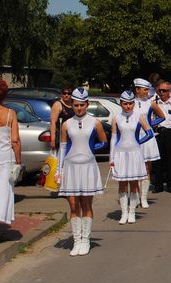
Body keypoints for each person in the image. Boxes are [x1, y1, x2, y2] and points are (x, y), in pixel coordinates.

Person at [54, 88, 108, 256]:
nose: (78, 108)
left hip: (87, 166)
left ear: (87, 104)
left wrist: (91, 151)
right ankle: (76, 240)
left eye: (82, 105)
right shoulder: (66, 124)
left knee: (86, 204)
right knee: (72, 205)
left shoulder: (95, 122)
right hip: (70, 167)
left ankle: (85, 239)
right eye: (76, 105)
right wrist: (58, 170)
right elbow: (62, 148)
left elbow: (103, 142)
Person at [110, 90, 154, 224]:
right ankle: (123, 213)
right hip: (120, 153)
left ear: (133, 103)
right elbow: (113, 138)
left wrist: (138, 142)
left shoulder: (139, 116)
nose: (128, 106)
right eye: (125, 103)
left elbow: (149, 133)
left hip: (135, 153)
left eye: (130, 103)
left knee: (134, 183)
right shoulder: (116, 117)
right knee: (122, 184)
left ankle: (132, 212)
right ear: (121, 104)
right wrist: (111, 158)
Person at [133, 78, 165, 208]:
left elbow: (162, 116)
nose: (147, 92)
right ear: (137, 90)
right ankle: (135, 197)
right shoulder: (130, 102)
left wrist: (150, 125)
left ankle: (144, 197)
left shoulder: (151, 103)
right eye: (145, 89)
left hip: (147, 136)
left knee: (147, 167)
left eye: (147, 89)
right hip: (134, 136)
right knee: (134, 168)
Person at [0, 79, 21, 235]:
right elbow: (15, 141)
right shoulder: (10, 114)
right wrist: (19, 162)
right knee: (1, 192)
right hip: (5, 158)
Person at [49, 84, 74, 150]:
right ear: (61, 94)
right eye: (64, 93)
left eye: (69, 93)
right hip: (61, 137)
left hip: (72, 137)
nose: (66, 95)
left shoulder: (73, 105)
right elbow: (53, 123)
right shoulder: (58, 104)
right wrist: (53, 140)